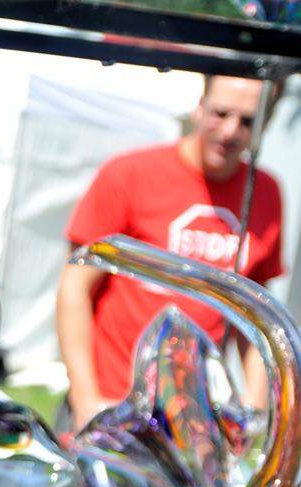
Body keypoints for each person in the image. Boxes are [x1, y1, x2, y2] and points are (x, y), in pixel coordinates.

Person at [57, 75, 283, 430]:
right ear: (199, 106)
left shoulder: (266, 193)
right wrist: (84, 398)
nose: (229, 131)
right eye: (220, 113)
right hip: (111, 406)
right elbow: (74, 288)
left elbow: (254, 318)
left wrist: (255, 412)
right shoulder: (129, 174)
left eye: (247, 121)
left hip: (195, 421)